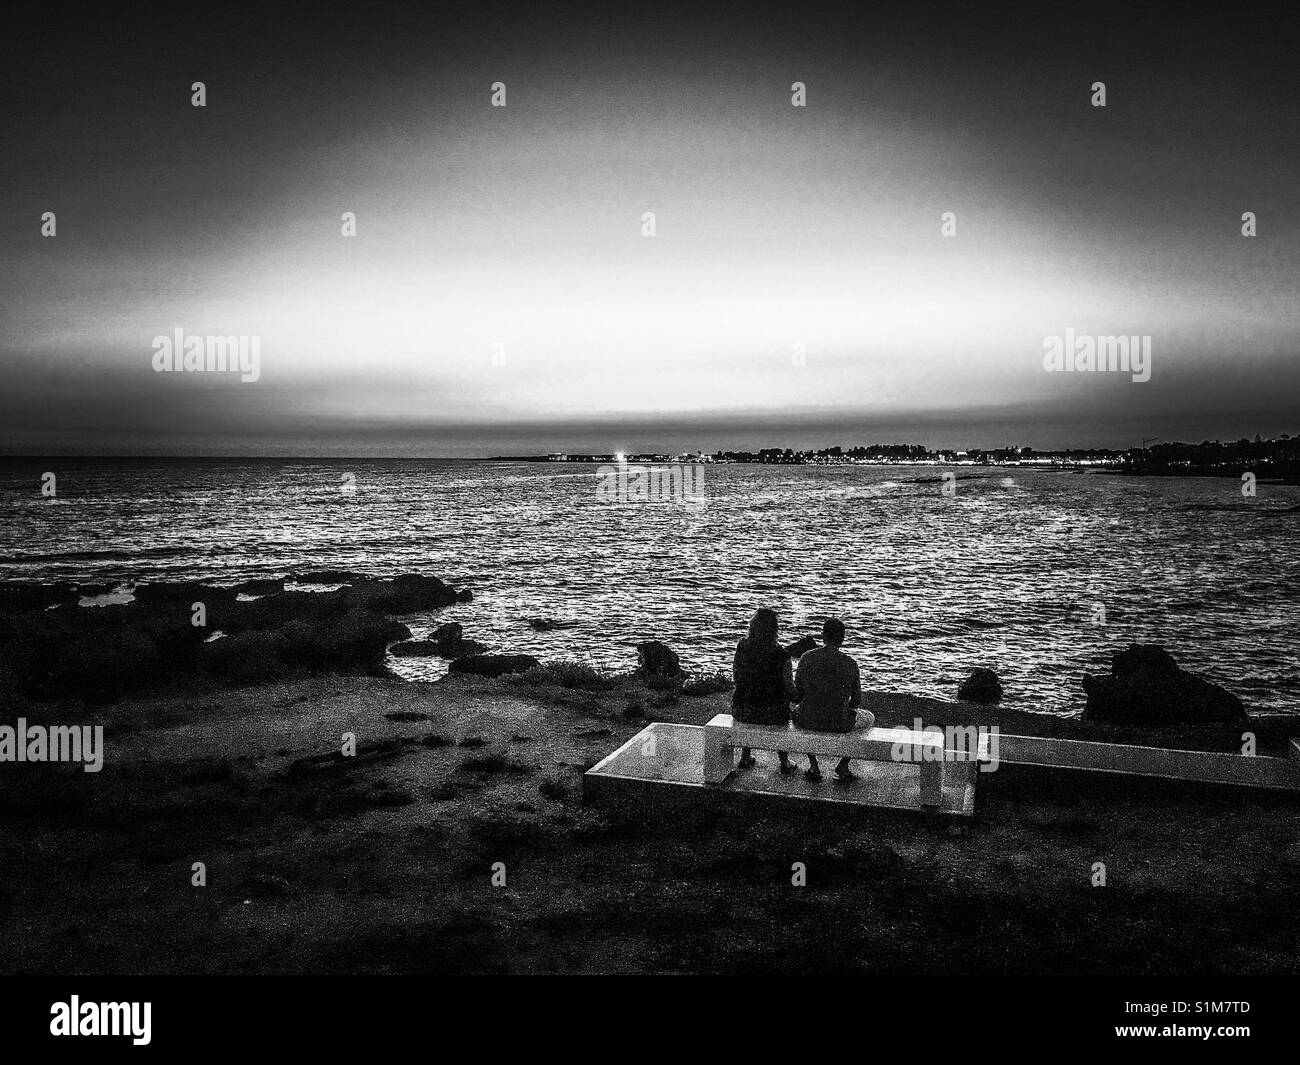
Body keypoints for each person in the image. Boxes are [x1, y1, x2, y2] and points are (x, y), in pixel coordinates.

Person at [792, 618, 874, 782]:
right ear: (842, 639)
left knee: (803, 711)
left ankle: (814, 765)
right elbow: (856, 700)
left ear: (823, 636)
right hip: (839, 722)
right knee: (869, 718)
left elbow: (797, 696)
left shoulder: (806, 658)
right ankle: (843, 765)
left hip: (807, 719)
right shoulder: (850, 663)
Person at [731, 608, 796, 774]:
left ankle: (745, 756)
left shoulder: (742, 647)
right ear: (774, 630)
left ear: (753, 626)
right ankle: (784, 761)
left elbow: (736, 676)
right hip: (773, 714)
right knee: (779, 706)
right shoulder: (782, 655)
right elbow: (789, 690)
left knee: (750, 695)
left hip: (742, 710)